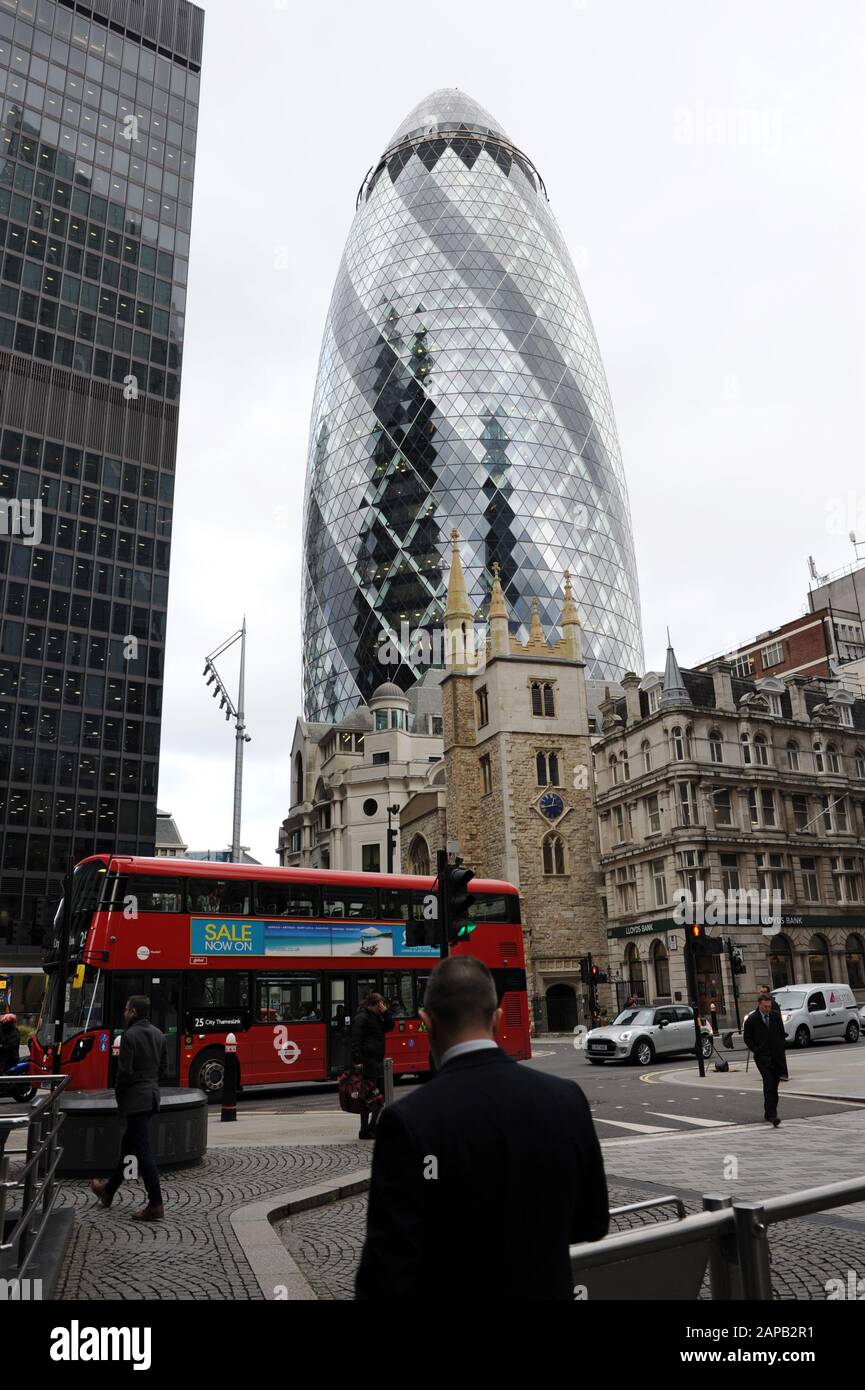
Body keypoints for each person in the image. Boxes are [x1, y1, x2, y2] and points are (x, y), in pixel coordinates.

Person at [356, 957, 609, 1300]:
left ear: (427, 1022)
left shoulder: (408, 1121)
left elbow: (384, 1276)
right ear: (498, 1018)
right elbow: (592, 1223)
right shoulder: (566, 1099)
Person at [90, 995, 168, 1220]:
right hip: (152, 1097)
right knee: (128, 1148)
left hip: (135, 1100)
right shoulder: (159, 1034)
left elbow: (124, 1073)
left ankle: (156, 1203)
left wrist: (121, 1098)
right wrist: (150, 1084)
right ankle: (108, 1190)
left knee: (143, 1152)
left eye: (126, 1010)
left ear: (133, 1012)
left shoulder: (129, 1036)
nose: (124, 1013)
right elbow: (163, 1067)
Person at [350, 993, 394, 1140]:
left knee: (380, 1096)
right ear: (373, 1004)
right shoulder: (362, 1018)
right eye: (380, 1005)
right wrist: (358, 1061)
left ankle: (372, 1125)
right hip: (367, 1063)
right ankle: (364, 1129)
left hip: (377, 1062)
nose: (382, 1008)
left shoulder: (377, 1017)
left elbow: (390, 1026)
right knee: (368, 1097)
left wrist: (386, 1013)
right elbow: (356, 1040)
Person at [743, 994, 786, 1127]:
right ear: (759, 1005)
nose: (767, 1009)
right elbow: (747, 1038)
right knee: (768, 1083)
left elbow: (781, 1033)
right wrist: (757, 1050)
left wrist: (781, 1047)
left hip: (776, 1056)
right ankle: (772, 1116)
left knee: (774, 1086)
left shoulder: (775, 1016)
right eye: (765, 1007)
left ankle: (769, 1112)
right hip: (762, 1057)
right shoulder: (752, 1019)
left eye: (769, 1006)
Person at [757, 984, 788, 1079]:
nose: (762, 993)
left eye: (764, 992)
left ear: (768, 993)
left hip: (775, 1036)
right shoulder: (760, 1004)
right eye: (761, 992)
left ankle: (782, 1073)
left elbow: (778, 1021)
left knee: (778, 1056)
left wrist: (781, 1038)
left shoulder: (773, 1004)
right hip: (767, 1037)